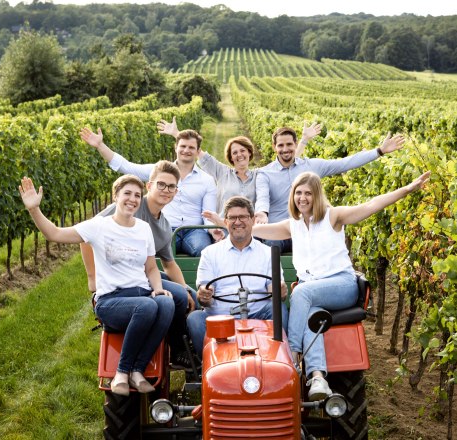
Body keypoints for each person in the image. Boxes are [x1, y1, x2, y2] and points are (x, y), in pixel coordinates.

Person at [250, 171, 430, 401]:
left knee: (301, 293)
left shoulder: (332, 217)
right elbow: (254, 230)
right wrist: (222, 223)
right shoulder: (292, 225)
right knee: (311, 317)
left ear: (316, 195)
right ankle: (318, 377)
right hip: (313, 292)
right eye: (298, 192)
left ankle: (292, 357)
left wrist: (406, 189)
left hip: (340, 284)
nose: (302, 198)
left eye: (308, 193)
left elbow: (371, 205)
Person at [18, 174, 175, 397]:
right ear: (116, 196)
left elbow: (151, 268)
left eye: (137, 195)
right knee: (148, 307)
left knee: (167, 304)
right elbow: (53, 233)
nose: (132, 199)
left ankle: (138, 369)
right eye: (127, 193)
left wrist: (158, 288)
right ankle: (122, 372)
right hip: (111, 300)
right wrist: (34, 209)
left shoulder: (143, 228)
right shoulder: (98, 226)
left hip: (141, 293)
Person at [79, 160, 196, 371]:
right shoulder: (129, 204)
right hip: (127, 280)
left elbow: (169, 265)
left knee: (190, 296)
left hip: (147, 275)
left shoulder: (164, 225)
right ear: (149, 186)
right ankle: (177, 349)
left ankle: (192, 350)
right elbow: (85, 235)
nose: (165, 190)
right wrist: (92, 276)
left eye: (171, 187)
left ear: (175, 192)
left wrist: (187, 289)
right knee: (177, 297)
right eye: (161, 184)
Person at [254, 126, 407, 252]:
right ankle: (272, 288)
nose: (285, 149)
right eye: (281, 145)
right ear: (274, 147)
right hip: (277, 233)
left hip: (307, 231)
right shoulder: (265, 173)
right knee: (269, 249)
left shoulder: (311, 166)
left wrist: (379, 151)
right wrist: (261, 214)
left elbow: (345, 163)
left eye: (289, 144)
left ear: (295, 144)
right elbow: (262, 198)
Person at [80, 126, 219, 256]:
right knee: (148, 252)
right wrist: (100, 145)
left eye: (191, 147)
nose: (186, 150)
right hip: (164, 228)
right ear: (176, 147)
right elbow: (126, 166)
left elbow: (208, 215)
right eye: (183, 146)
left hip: (195, 230)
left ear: (197, 151)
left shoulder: (206, 180)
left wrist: (213, 230)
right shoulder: (158, 170)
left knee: (206, 252)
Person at [187, 196, 288, 357]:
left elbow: (274, 290)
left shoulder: (267, 253)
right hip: (221, 317)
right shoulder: (210, 253)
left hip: (258, 313)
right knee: (195, 318)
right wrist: (204, 295)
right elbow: (205, 293)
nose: (237, 222)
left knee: (278, 308)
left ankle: (275, 358)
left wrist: (279, 291)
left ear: (253, 220)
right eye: (232, 218)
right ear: (225, 221)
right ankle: (208, 366)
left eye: (243, 217)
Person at [157, 117, 321, 214]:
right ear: (230, 157)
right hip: (224, 228)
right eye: (234, 152)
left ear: (250, 153)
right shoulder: (222, 172)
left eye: (243, 150)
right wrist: (176, 134)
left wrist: (304, 141)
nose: (239, 155)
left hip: (250, 230)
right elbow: (196, 151)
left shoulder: (260, 175)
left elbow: (289, 162)